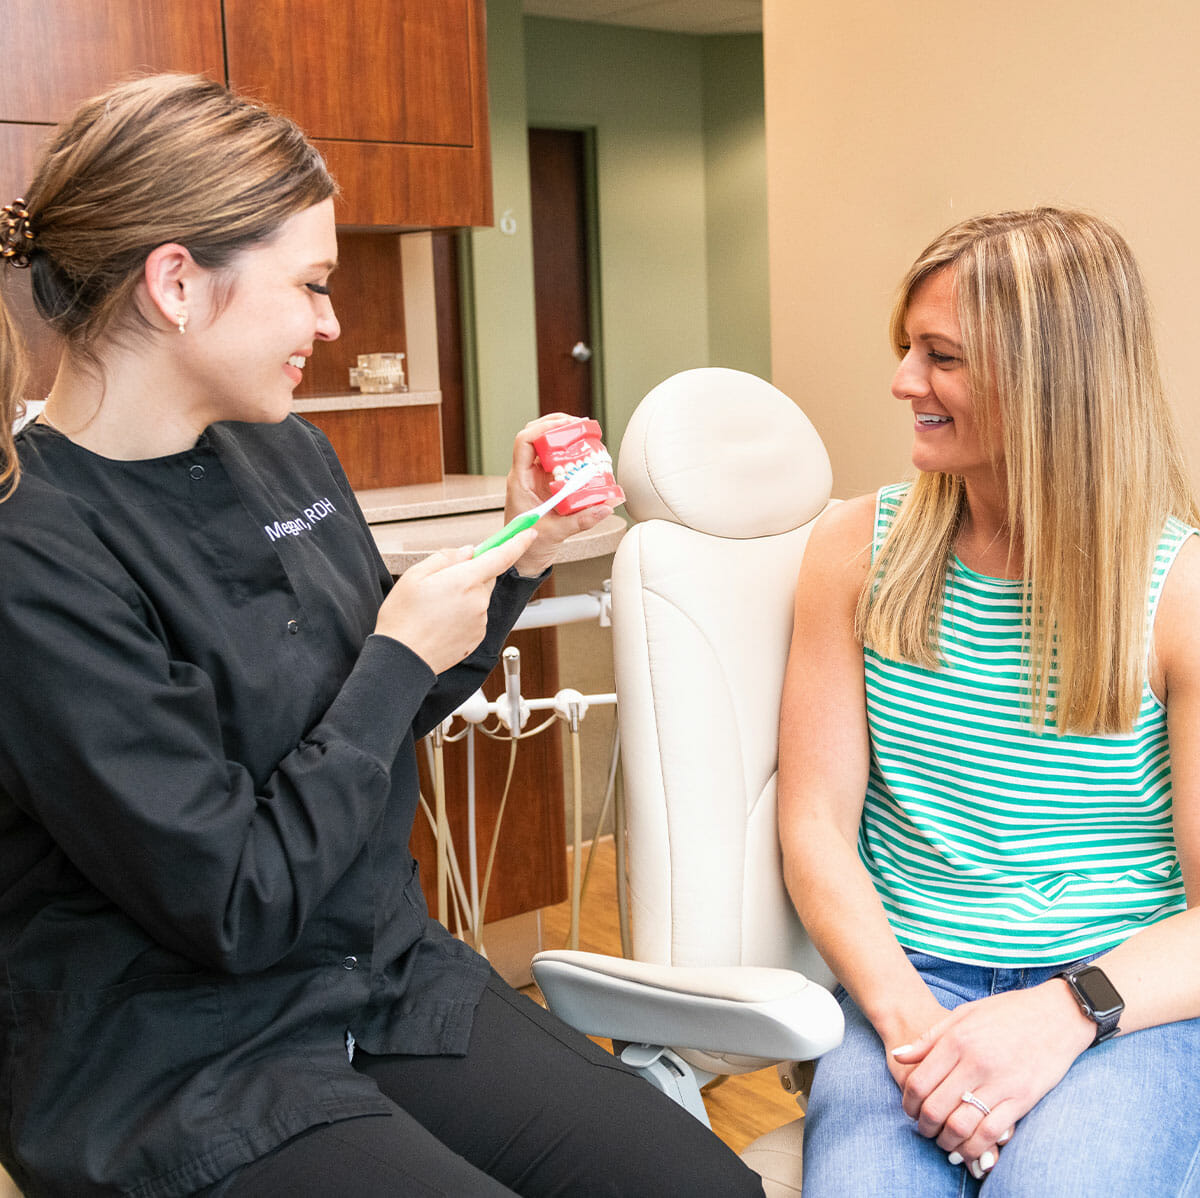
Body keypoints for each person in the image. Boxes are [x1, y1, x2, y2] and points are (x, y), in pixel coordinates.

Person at [0, 74, 765, 1198]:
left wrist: (523, 556)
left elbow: (368, 703)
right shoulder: (33, 554)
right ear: (175, 282)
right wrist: (398, 651)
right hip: (180, 1053)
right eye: (311, 284)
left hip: (378, 977)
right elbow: (236, 900)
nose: (333, 321)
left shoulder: (283, 451)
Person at [778, 208, 1200, 1196]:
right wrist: (920, 1033)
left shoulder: (1177, 590)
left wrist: (1062, 1014)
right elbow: (815, 828)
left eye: (942, 357)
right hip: (909, 988)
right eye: (907, 349)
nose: (902, 381)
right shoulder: (855, 550)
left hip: (1119, 998)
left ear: (1048, 384)